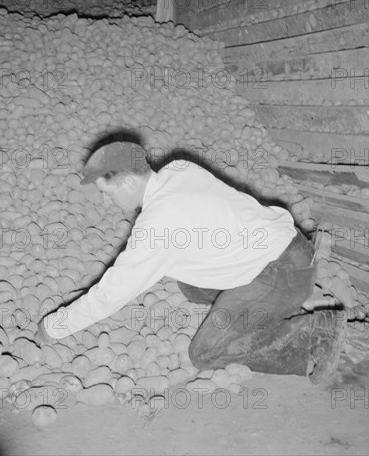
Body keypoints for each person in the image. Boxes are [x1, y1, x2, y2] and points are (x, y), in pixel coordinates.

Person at [37, 141, 346, 383]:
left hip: (282, 275)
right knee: (190, 285)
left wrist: (54, 327)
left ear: (129, 182)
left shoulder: (159, 223)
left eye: (107, 192)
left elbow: (112, 293)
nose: (107, 202)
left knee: (205, 352)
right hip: (294, 249)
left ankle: (315, 331)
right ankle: (266, 308)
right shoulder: (179, 169)